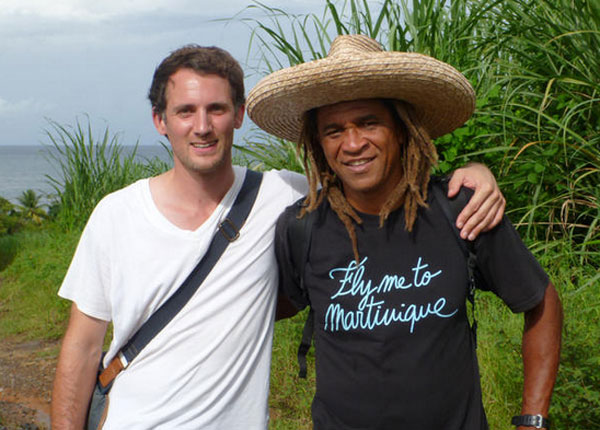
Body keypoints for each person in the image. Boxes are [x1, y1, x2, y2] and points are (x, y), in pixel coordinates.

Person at [51, 44, 505, 429]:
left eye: (216, 109)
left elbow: (374, 177)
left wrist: (475, 175)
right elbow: (82, 346)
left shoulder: (285, 197)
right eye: (185, 111)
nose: (202, 126)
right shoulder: (116, 215)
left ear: (239, 115)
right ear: (160, 121)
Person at [246, 34, 563, 430]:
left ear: (401, 128)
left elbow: (540, 301)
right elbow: (264, 309)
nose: (353, 143)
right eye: (333, 130)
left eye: (368, 123)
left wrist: (532, 420)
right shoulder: (302, 227)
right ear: (317, 143)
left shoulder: (461, 211)